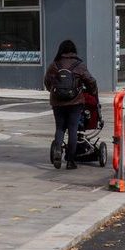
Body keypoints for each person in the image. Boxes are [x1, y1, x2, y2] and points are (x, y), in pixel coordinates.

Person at [44, 39, 98, 170]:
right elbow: (91, 81)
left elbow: (47, 81)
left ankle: (57, 150)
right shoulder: (78, 65)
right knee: (73, 129)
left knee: (60, 128)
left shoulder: (54, 65)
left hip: (57, 102)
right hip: (75, 102)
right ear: (74, 51)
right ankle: (70, 160)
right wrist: (93, 92)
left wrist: (54, 91)